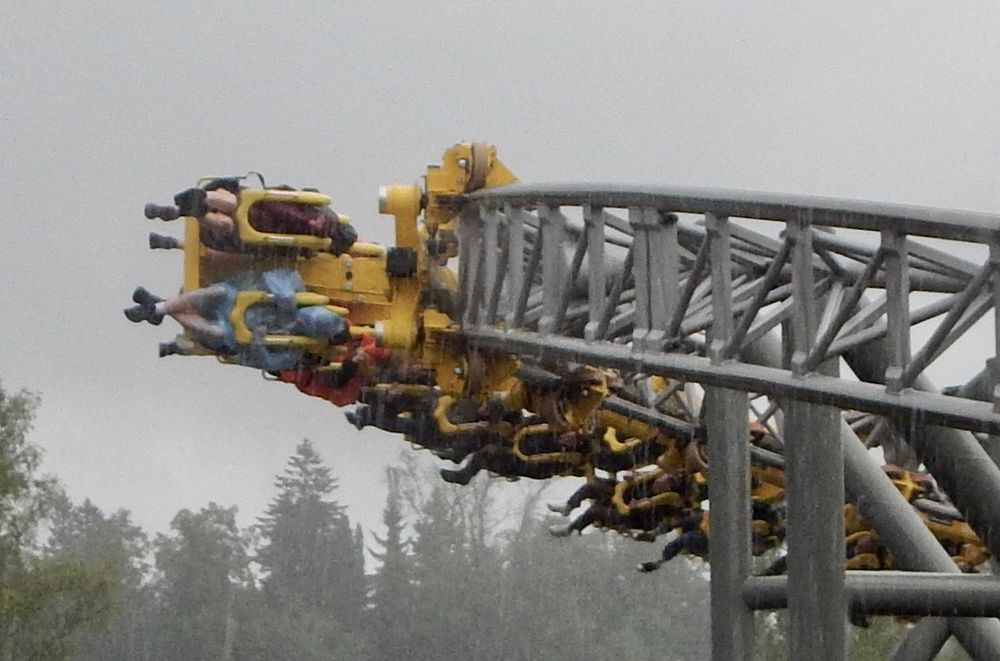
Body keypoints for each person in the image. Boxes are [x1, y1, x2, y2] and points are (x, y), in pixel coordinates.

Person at [124, 268, 349, 370]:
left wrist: (259, 343)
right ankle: (159, 307)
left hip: (231, 331)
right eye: (305, 317)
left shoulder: (294, 350)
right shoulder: (298, 290)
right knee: (216, 293)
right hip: (231, 299)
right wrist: (285, 295)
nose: (300, 321)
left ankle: (157, 308)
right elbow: (274, 276)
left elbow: (268, 363)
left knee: (215, 333)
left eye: (307, 325)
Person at [144, 179, 358, 255]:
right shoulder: (314, 234)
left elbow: (275, 196)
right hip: (252, 226)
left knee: (231, 209)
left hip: (250, 216)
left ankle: (192, 206)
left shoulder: (304, 208)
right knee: (229, 221)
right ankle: (193, 209)